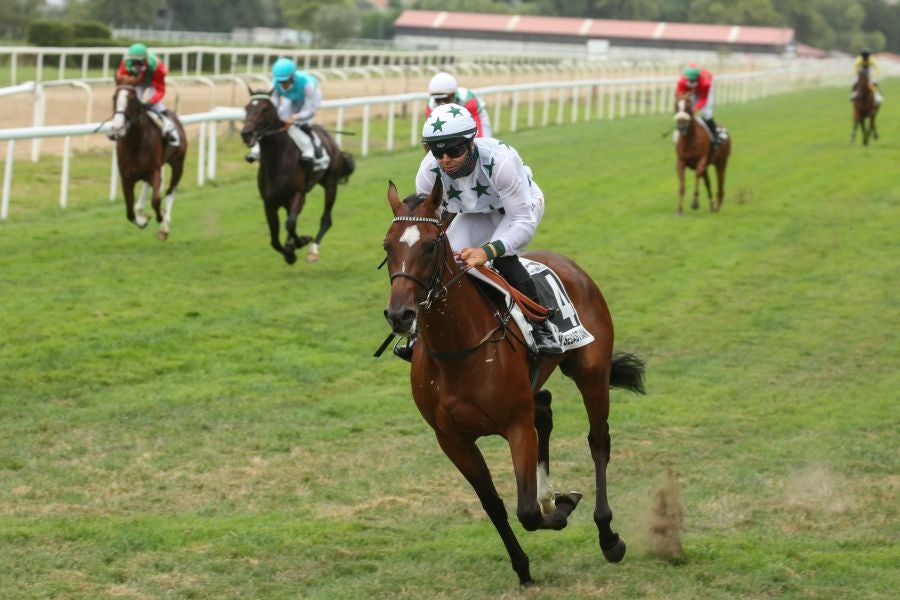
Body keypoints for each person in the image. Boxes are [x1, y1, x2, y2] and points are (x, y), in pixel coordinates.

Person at [393, 103, 562, 362]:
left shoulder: (501, 161)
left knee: (503, 257)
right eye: (437, 152)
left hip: (516, 210)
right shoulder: (428, 172)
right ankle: (419, 332)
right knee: (442, 260)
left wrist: (487, 252)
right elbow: (430, 224)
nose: (445, 160)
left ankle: (541, 327)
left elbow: (523, 224)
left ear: (471, 142)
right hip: (474, 213)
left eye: (453, 150)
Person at [245, 57, 328, 171]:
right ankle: (256, 150)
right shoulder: (274, 84)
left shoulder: (307, 84)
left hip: (309, 102)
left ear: (292, 77)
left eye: (285, 81)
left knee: (301, 125)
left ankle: (314, 153)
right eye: (280, 81)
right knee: (276, 124)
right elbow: (274, 106)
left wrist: (295, 117)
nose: (282, 84)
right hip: (292, 100)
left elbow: (310, 110)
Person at [116, 43, 180, 146]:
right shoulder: (125, 65)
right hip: (137, 82)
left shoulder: (157, 67)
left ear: (145, 60)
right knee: (128, 102)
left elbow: (160, 90)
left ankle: (171, 130)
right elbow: (124, 85)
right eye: (134, 62)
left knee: (156, 105)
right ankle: (117, 127)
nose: (136, 65)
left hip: (153, 83)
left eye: (139, 62)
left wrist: (151, 102)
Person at [426, 71, 492, 138]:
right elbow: (430, 132)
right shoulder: (431, 104)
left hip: (476, 115)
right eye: (437, 100)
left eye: (446, 99)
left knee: (481, 140)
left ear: (453, 94)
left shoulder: (467, 98)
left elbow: (478, 127)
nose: (442, 103)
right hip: (453, 120)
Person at [675, 63, 719, 145]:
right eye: (690, 80)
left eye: (693, 80)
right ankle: (677, 136)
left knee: (706, 114)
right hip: (693, 90)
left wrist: (695, 109)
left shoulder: (705, 83)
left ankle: (715, 135)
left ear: (697, 77)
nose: (691, 81)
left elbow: (703, 99)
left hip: (704, 91)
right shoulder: (682, 81)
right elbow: (679, 95)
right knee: (683, 113)